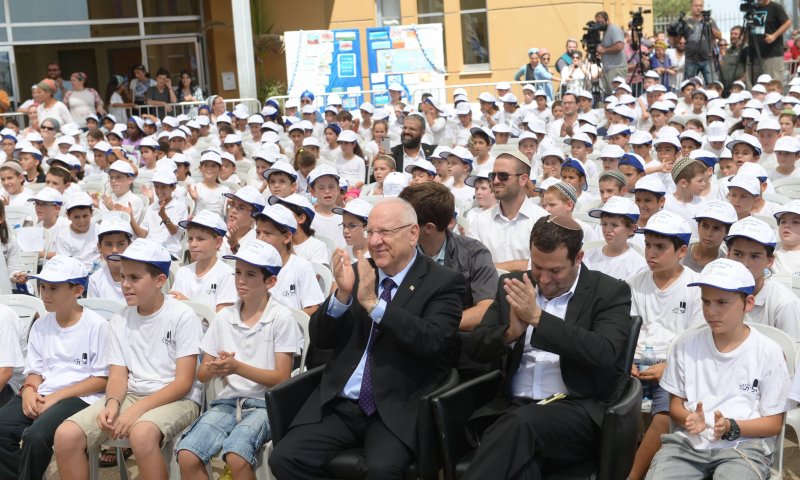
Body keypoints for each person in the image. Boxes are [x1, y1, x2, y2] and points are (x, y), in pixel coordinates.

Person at [268, 198, 466, 479]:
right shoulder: (360, 272)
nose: (374, 241)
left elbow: (433, 341)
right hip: (341, 403)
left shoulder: (444, 282)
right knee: (285, 458)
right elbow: (322, 339)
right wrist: (342, 296)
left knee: (381, 471)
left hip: (397, 405)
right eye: (370, 232)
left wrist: (375, 306)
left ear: (412, 234)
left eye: (384, 232)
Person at [461, 214, 632, 479]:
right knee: (523, 469)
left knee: (520, 425)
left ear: (578, 258)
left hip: (576, 410)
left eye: (555, 271)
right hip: (514, 406)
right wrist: (509, 333)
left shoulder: (608, 292)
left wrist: (538, 318)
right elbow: (475, 348)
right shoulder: (515, 284)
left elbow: (604, 352)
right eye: (538, 267)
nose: (543, 279)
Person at [54, 238, 202, 480]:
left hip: (178, 399)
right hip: (131, 395)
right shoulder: (120, 318)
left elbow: (183, 383)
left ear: (160, 281)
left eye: (134, 278)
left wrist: (137, 410)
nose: (125, 285)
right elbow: (118, 373)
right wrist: (112, 403)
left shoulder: (182, 315)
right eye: (123, 277)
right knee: (66, 435)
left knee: (142, 434)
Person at [645, 259, 791, 480]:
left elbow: (773, 423)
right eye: (706, 301)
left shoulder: (768, 351)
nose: (711, 311)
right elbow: (676, 405)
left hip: (743, 447)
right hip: (689, 444)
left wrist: (731, 427)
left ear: (748, 303)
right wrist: (689, 418)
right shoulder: (686, 344)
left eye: (722, 303)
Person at [175, 239, 301, 480]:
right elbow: (201, 375)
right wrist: (214, 368)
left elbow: (281, 378)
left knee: (236, 454)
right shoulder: (224, 317)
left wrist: (236, 367)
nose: (240, 280)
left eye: (251, 274)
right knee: (187, 453)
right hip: (228, 402)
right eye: (238, 272)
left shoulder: (280, 317)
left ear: (270, 281)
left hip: (266, 405)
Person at [0, 256, 108, 480]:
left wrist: (55, 397)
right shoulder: (41, 325)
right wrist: (29, 391)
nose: (45, 294)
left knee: (36, 436)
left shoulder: (96, 325)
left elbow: (101, 379)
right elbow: (35, 371)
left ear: (77, 290)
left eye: (54, 288)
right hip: (44, 392)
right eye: (42, 287)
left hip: (81, 396)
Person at [399, 182, 499, 379]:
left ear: (427, 228)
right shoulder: (398, 252)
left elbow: (487, 309)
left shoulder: (473, 253)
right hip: (406, 343)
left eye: (405, 223)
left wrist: (435, 325)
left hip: (455, 347)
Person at [468, 147, 548, 271]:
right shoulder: (479, 221)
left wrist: (491, 268)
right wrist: (518, 265)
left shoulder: (543, 220)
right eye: (493, 175)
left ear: (523, 179)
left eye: (503, 176)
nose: (495, 181)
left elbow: (543, 266)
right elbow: (472, 266)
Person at [172, 210, 237, 312]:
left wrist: (188, 304)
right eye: (190, 238)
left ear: (218, 242)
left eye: (200, 239)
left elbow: (220, 321)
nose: (193, 244)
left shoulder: (227, 274)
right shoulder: (182, 272)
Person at [672, 0, 722, 85]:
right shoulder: (686, 21)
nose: (698, 8)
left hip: (707, 59)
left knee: (713, 85)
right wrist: (677, 30)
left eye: (700, 6)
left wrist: (708, 25)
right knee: (689, 85)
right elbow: (675, 42)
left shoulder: (709, 20)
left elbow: (719, 36)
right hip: (691, 59)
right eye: (696, 6)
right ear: (691, 6)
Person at [750, 0, 792, 84]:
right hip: (757, 54)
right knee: (759, 85)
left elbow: (787, 22)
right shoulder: (754, 8)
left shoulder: (775, 7)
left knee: (773, 84)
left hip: (772, 54)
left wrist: (774, 36)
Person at [594, 11, 627, 95]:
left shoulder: (614, 29)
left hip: (616, 68)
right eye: (597, 22)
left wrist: (604, 50)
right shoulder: (605, 32)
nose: (599, 25)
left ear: (607, 20)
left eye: (600, 22)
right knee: (610, 96)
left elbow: (619, 46)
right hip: (608, 69)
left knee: (617, 95)